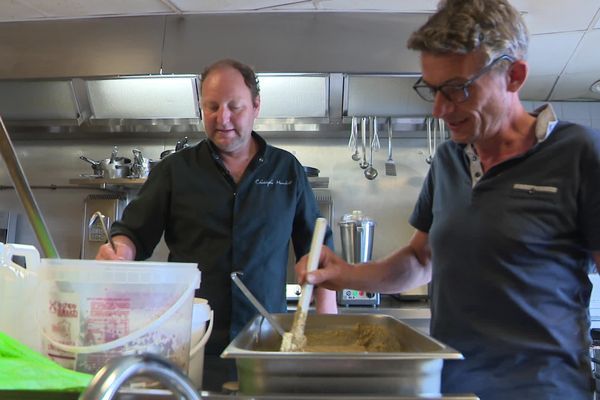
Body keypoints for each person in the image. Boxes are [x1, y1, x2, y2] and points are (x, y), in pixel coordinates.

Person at [296, 0, 600, 399]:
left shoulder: (577, 153)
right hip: (453, 388)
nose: (440, 109)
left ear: (514, 76)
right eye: (433, 90)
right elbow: (422, 260)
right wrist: (344, 274)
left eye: (457, 90)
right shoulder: (449, 160)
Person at [96, 58, 337, 391]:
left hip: (264, 342)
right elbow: (134, 233)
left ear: (255, 106)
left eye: (234, 107)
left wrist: (325, 322)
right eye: (211, 107)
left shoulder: (287, 170)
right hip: (191, 340)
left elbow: (317, 249)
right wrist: (120, 249)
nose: (222, 119)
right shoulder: (174, 171)